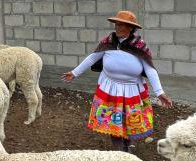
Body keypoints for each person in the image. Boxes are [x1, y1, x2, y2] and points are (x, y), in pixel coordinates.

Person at [62, 10, 172, 152]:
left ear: (130, 28)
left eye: (121, 25)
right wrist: (75, 72)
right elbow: (92, 58)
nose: (118, 28)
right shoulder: (108, 42)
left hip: (132, 90)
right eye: (117, 24)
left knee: (130, 119)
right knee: (114, 119)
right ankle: (119, 151)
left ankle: (128, 144)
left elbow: (150, 69)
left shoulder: (139, 46)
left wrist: (159, 92)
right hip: (110, 89)